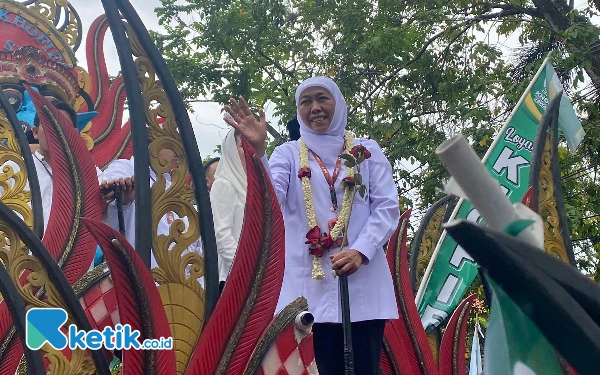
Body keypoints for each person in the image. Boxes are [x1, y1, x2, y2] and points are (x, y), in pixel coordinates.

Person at [224, 77, 400, 375]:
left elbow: (386, 207)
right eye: (306, 102)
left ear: (338, 103)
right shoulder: (288, 154)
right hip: (307, 288)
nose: (315, 108)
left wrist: (361, 249)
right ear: (298, 110)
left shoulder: (366, 152)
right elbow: (270, 202)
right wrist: (259, 153)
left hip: (362, 287)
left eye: (322, 99)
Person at [210, 131, 246, 294]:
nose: (248, 149)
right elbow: (222, 234)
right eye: (241, 145)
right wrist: (244, 268)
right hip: (232, 276)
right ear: (231, 149)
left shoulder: (250, 184)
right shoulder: (223, 184)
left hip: (254, 274)